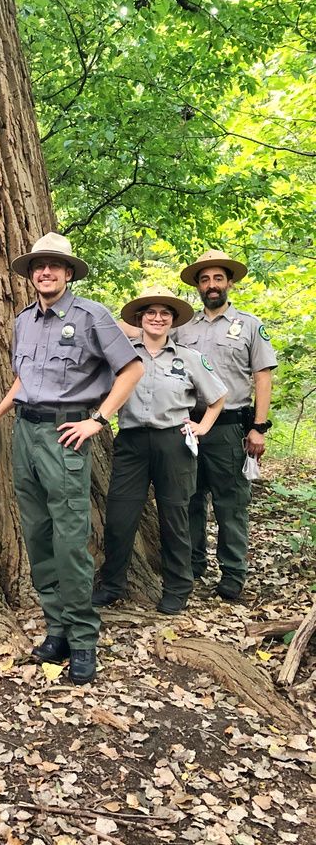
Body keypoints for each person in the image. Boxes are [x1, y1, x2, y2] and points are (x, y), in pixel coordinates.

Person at [0, 233, 143, 685]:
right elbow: (23, 379)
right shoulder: (24, 320)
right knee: (38, 536)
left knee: (69, 540)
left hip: (67, 436)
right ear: (31, 275)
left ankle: (84, 640)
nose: (46, 272)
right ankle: (57, 630)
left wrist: (98, 421)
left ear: (68, 273)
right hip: (25, 432)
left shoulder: (91, 316)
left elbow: (133, 369)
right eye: (38, 266)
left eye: (55, 266)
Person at [94, 287, 226, 614]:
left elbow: (217, 397)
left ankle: (178, 588)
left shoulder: (189, 358)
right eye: (150, 312)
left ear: (172, 320)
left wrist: (204, 426)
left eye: (164, 313)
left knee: (175, 516)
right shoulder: (123, 356)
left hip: (174, 443)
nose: (157, 318)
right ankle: (112, 584)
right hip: (131, 442)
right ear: (140, 319)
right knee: (121, 517)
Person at [175, 249, 277, 601]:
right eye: (205, 279)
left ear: (229, 282)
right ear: (198, 286)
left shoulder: (248, 325)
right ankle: (192, 564)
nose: (212, 285)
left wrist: (258, 427)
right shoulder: (182, 328)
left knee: (230, 502)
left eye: (218, 278)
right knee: (189, 498)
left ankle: (233, 573)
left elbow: (262, 377)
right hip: (188, 425)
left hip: (230, 427)